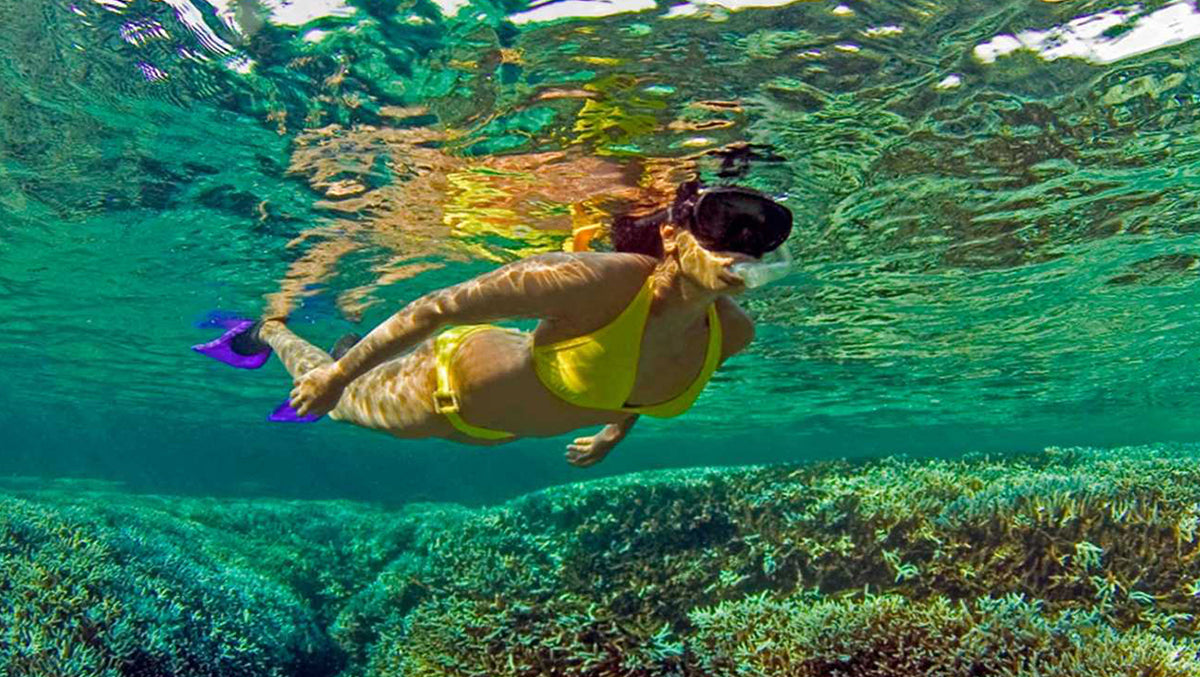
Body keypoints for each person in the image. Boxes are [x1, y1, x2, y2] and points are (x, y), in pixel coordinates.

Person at [193, 180, 793, 467]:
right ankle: (271, 331)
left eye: (756, 243)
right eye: (720, 231)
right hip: (437, 393)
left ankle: (350, 351)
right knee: (341, 406)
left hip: (497, 429)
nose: (739, 253)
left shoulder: (733, 332)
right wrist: (336, 378)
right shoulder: (601, 280)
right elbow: (439, 306)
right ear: (671, 234)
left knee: (350, 382)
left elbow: (642, 379)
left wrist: (613, 434)